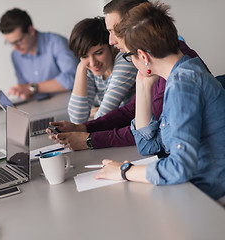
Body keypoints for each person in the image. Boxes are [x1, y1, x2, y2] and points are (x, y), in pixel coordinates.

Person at [94, 1, 225, 201]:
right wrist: (143, 85)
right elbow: (149, 147)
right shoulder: (177, 77)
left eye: (128, 56)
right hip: (192, 191)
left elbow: (179, 168)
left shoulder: (184, 85)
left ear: (143, 55)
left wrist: (123, 170)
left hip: (208, 199)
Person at [46, 0, 209, 152]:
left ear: (135, 25)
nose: (110, 41)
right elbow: (132, 110)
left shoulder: (174, 69)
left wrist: (90, 140)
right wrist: (84, 128)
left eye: (113, 31)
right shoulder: (147, 61)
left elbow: (153, 136)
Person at [67, 17, 136, 124]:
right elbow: (77, 118)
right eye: (84, 56)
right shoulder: (90, 69)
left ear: (111, 45)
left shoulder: (126, 59)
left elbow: (101, 118)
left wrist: (97, 112)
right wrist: (81, 68)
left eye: (99, 53)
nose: (93, 62)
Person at [0, 8, 77, 100]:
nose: (15, 47)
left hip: (67, 105)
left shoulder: (56, 43)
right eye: (10, 43)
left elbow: (73, 78)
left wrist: (32, 88)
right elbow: (25, 88)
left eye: (18, 41)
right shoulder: (15, 55)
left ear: (31, 30)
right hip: (39, 108)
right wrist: (21, 92)